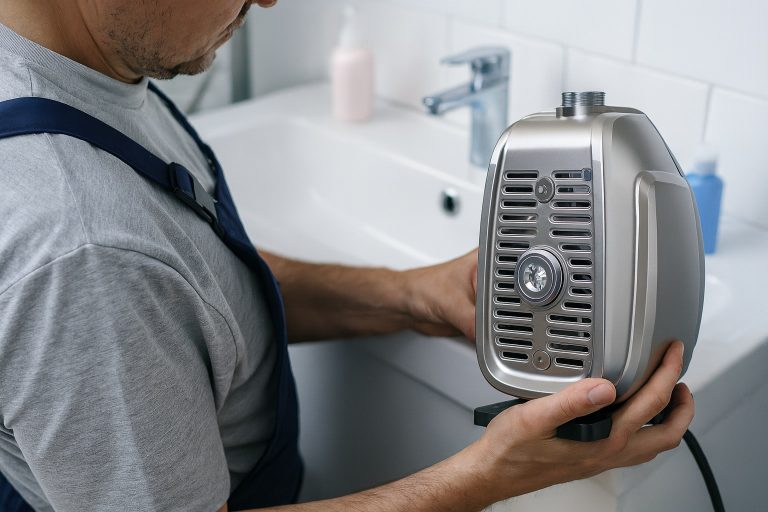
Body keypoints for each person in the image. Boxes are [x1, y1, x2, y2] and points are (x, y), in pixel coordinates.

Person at [0, 1, 694, 511]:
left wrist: (410, 296)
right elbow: (123, 267)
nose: (271, 0)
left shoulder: (76, 74)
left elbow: (186, 276)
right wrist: (496, 473)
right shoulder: (79, 243)